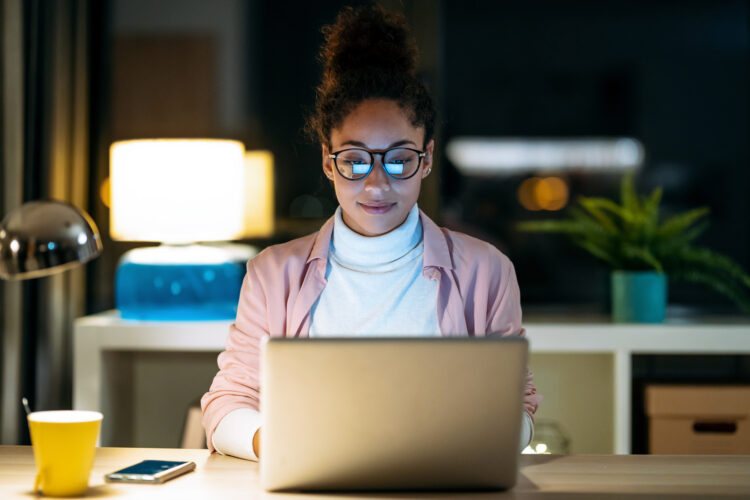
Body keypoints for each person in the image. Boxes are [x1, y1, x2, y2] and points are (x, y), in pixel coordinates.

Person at [201, 5, 541, 461]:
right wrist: (278, 445)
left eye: (399, 159)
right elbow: (227, 404)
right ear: (327, 160)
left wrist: (478, 442)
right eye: (355, 159)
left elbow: (519, 405)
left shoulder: (486, 270)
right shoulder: (273, 273)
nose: (377, 183)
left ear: (427, 158)